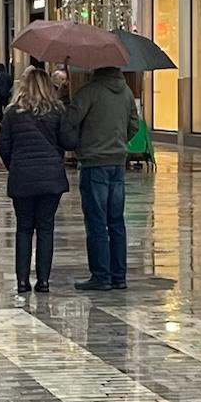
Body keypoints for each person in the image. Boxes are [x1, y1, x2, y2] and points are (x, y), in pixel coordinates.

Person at [65, 66, 139, 292]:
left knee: (96, 221)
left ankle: (101, 276)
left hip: (94, 163)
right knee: (116, 220)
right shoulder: (126, 92)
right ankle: (119, 276)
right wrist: (118, 142)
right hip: (117, 163)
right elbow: (134, 126)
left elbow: (70, 121)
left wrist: (68, 98)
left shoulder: (89, 92)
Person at [0, 67, 69, 294]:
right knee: (46, 228)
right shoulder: (57, 111)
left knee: (24, 228)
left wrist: (15, 166)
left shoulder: (12, 113)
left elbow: (3, 146)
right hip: (51, 178)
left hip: (23, 178)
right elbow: (68, 141)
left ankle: (22, 281)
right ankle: (44, 281)